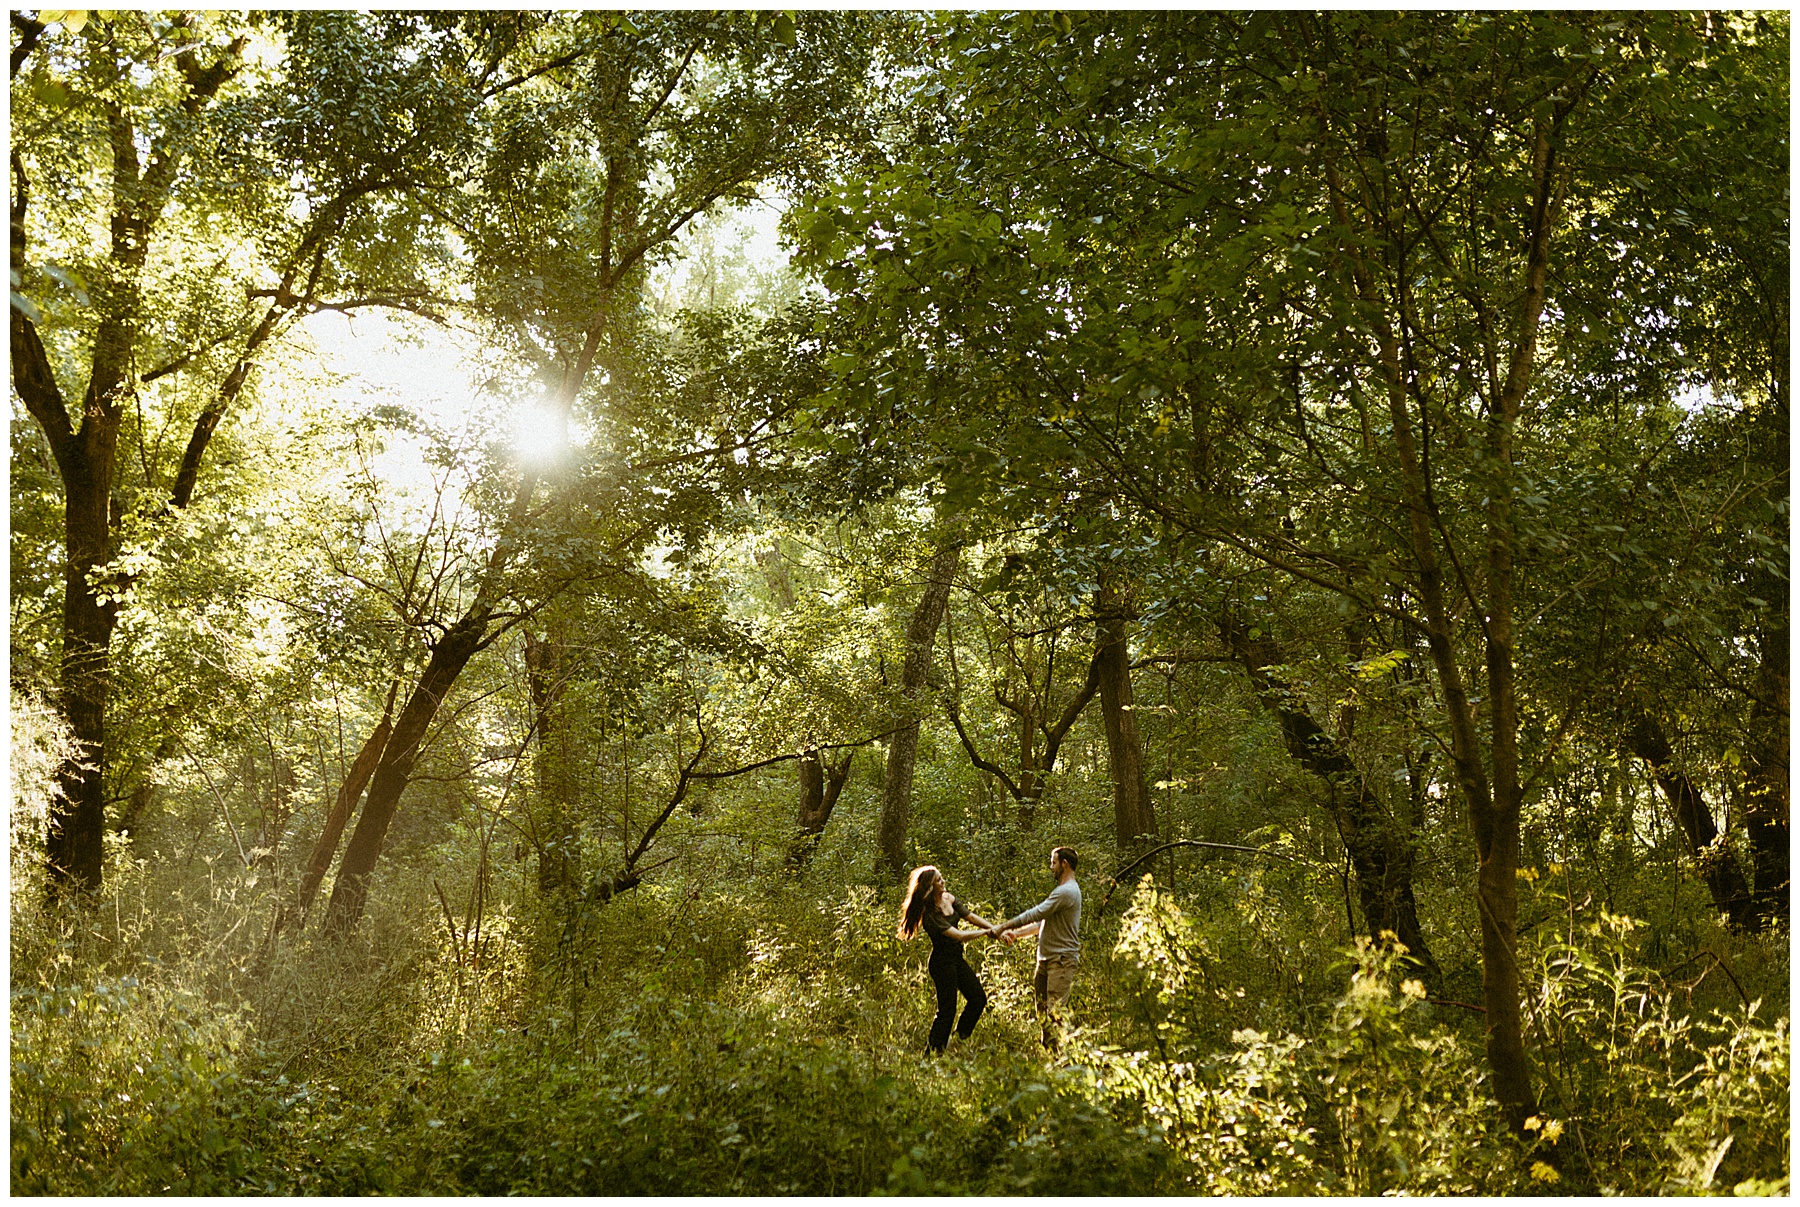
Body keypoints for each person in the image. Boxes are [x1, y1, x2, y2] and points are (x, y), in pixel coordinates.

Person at [897, 864, 999, 1053]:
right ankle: (932, 1055)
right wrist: (987, 933)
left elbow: (970, 916)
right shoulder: (930, 915)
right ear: (930, 886)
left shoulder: (949, 899)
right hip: (941, 963)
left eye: (942, 878)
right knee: (947, 1011)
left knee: (978, 999)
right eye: (939, 880)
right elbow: (958, 935)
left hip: (956, 959)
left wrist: (995, 929)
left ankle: (958, 1042)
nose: (943, 882)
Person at [991, 846, 1082, 1051]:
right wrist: (1017, 934)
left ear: (1064, 864)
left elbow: (1037, 913)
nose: (1051, 867)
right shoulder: (1063, 891)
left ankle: (1064, 1060)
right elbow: (1043, 924)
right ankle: (1050, 1055)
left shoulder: (1066, 891)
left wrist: (1004, 926)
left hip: (1061, 961)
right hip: (1045, 960)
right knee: (1042, 1010)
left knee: (1055, 1013)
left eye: (1053, 863)